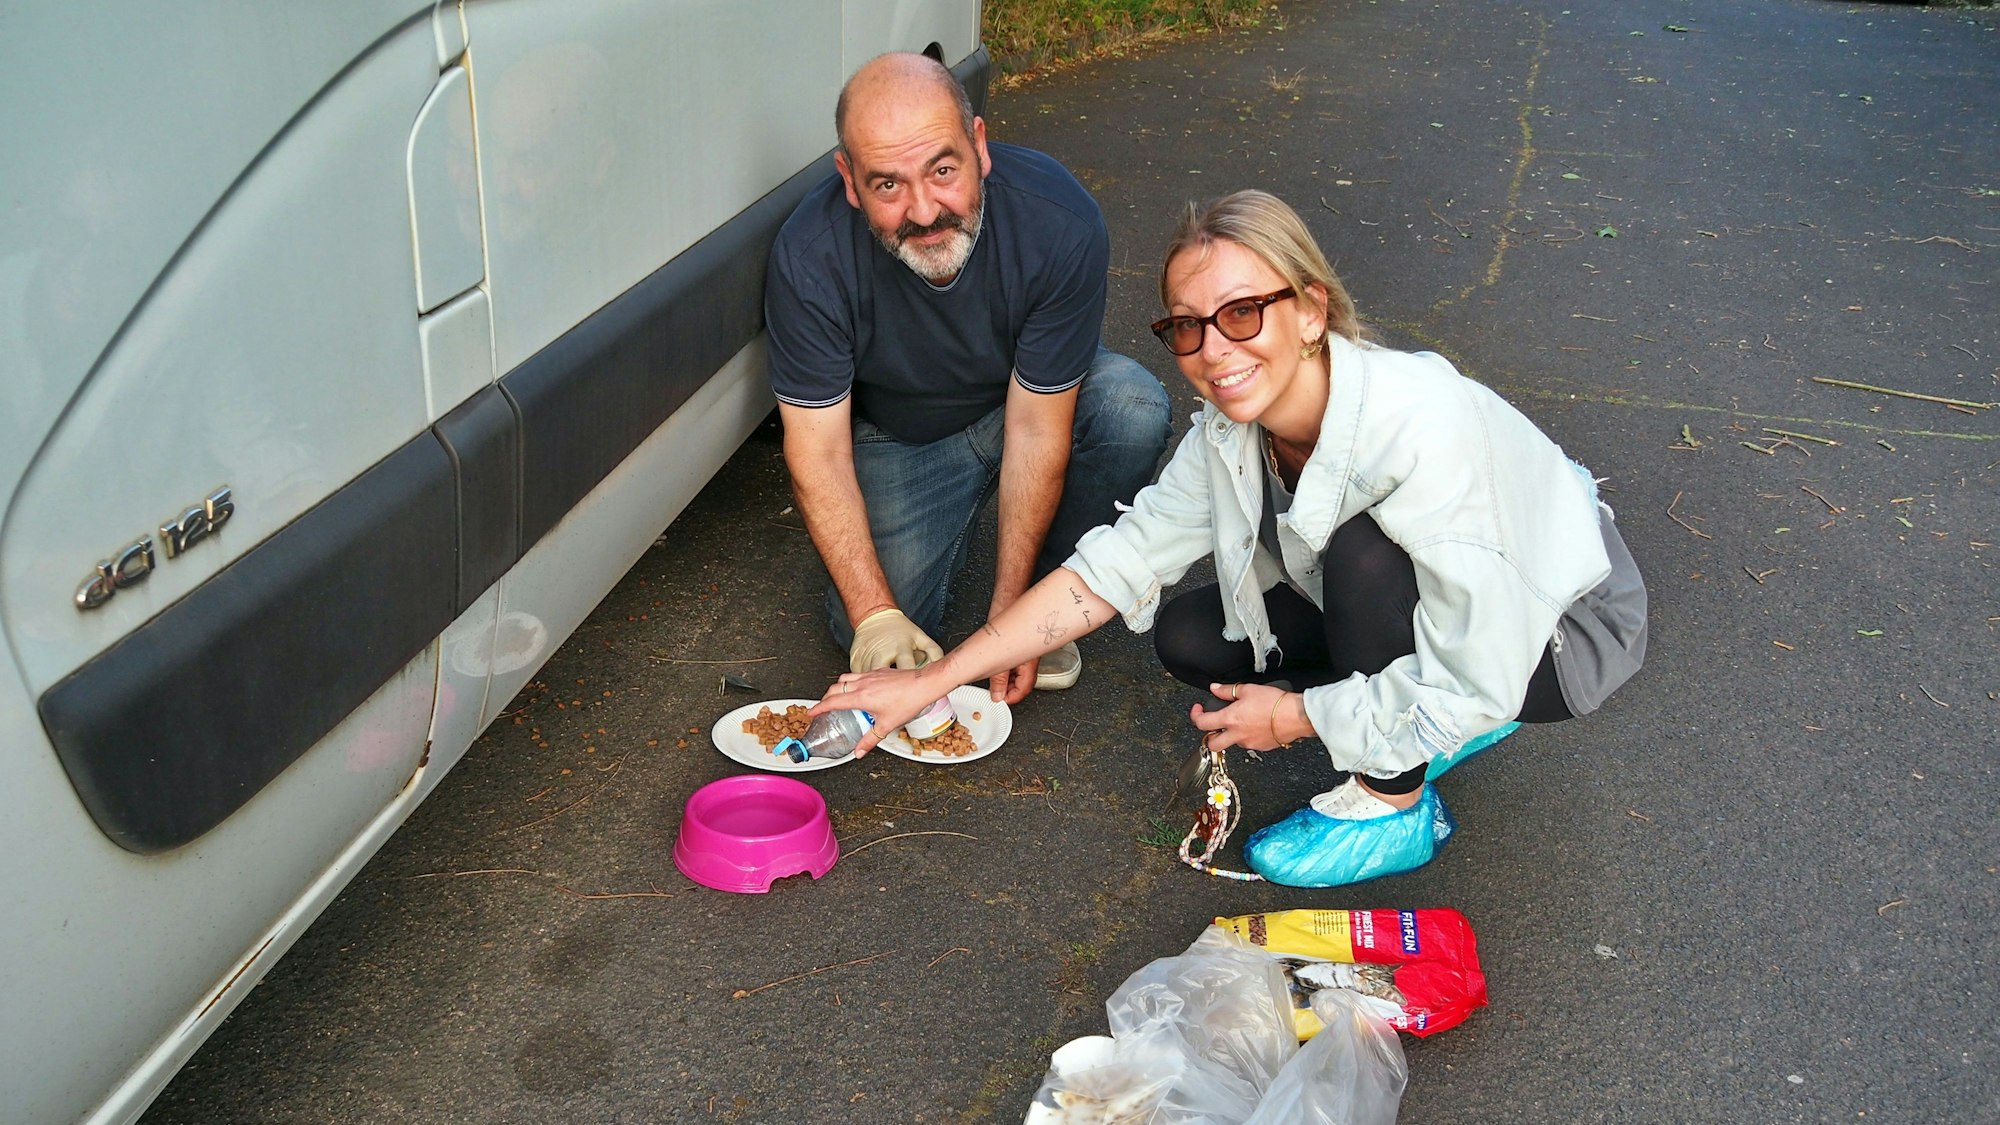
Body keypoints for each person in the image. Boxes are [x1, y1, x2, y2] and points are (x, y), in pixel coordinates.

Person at [817, 189, 1647, 888]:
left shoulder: (1421, 429)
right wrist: (936, 682)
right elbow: (1118, 562)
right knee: (1191, 635)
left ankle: (1396, 800)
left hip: (1559, 634)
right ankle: (1408, 710)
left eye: (1242, 312)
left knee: (1366, 554)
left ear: (1311, 310)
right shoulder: (1228, 426)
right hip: (1445, 611)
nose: (1214, 351)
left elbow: (1481, 670)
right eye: (1187, 326)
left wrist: (1293, 719)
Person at [765, 52, 1171, 702]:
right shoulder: (809, 256)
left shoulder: (1060, 220)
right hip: (903, 434)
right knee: (873, 636)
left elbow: (1038, 427)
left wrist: (1016, 620)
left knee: (1130, 404)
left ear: (979, 146)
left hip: (1030, 399)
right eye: (887, 185)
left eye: (943, 170)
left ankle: (1056, 593)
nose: (925, 211)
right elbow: (817, 447)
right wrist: (875, 613)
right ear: (848, 180)